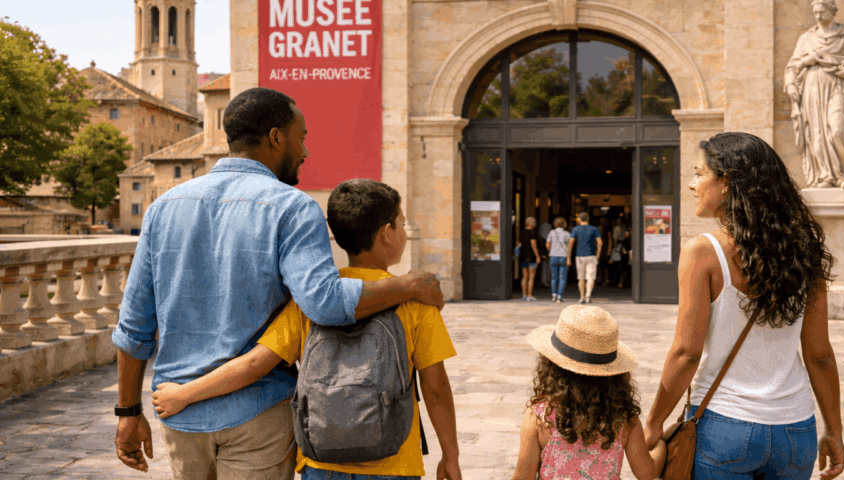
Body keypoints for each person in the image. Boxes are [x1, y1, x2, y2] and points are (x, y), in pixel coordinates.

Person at [112, 88, 445, 479]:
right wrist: (411, 284)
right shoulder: (292, 207)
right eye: (301, 138)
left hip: (180, 415)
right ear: (275, 138)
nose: (305, 151)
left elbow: (134, 328)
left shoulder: (162, 209)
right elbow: (324, 303)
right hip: (259, 414)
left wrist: (127, 412)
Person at [151, 178, 462, 480]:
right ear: (386, 233)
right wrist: (450, 457)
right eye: (401, 224)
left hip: (322, 461)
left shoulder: (310, 302)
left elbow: (254, 364)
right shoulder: (415, 302)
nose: (404, 232)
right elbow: (435, 389)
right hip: (394, 463)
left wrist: (184, 394)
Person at [643, 132, 844, 480]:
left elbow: (686, 353)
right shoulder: (803, 252)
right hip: (795, 429)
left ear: (726, 183)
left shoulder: (703, 252)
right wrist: (835, 431)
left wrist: (653, 423)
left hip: (724, 426)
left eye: (699, 174)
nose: (692, 184)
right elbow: (819, 355)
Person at [510, 305, 666, 480]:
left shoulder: (539, 418)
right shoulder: (625, 420)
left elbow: (522, 477)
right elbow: (647, 473)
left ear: (551, 367)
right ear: (615, 375)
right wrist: (661, 445)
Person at [784, 0, 844, 189]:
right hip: (812, 87)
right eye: (815, 12)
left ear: (832, 11)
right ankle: (826, 176)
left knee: (838, 129)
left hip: (838, 84)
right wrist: (790, 84)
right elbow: (792, 66)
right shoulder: (806, 38)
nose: (819, 16)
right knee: (817, 134)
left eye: (822, 12)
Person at [567, 212, 602, 304]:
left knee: (581, 278)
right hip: (591, 255)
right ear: (588, 219)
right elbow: (600, 242)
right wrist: (598, 254)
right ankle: (588, 296)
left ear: (579, 219)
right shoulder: (594, 229)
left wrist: (568, 257)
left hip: (580, 256)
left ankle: (582, 297)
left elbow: (570, 243)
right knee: (590, 277)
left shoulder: (575, 229)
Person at [545, 217, 571, 302]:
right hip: (563, 256)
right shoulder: (567, 233)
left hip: (553, 256)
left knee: (554, 277)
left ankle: (553, 295)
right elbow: (570, 245)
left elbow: (548, 244)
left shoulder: (551, 232)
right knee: (562, 277)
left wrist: (551, 250)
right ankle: (559, 297)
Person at [520, 216, 542, 301]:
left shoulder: (522, 232)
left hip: (523, 256)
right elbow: (533, 244)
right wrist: (537, 255)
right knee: (531, 277)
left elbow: (518, 243)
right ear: (532, 223)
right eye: (535, 222)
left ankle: (524, 295)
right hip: (531, 256)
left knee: (524, 277)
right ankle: (529, 295)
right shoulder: (533, 232)